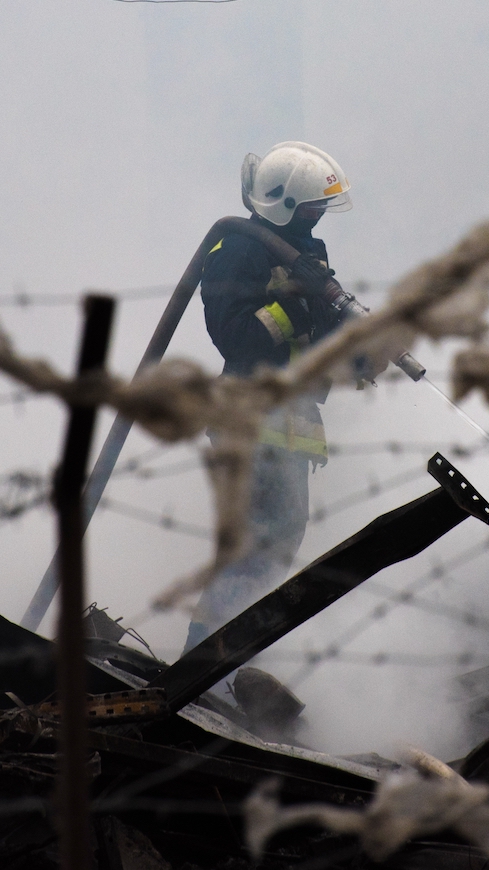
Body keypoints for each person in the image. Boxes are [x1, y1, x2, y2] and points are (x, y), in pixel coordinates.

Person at [183, 141, 354, 650]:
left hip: (292, 423)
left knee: (278, 546)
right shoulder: (236, 250)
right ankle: (203, 659)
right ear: (285, 203)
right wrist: (298, 304)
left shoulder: (306, 253)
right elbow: (234, 337)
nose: (319, 215)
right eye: (311, 206)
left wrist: (359, 350)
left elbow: (315, 341)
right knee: (253, 548)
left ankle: (231, 656)